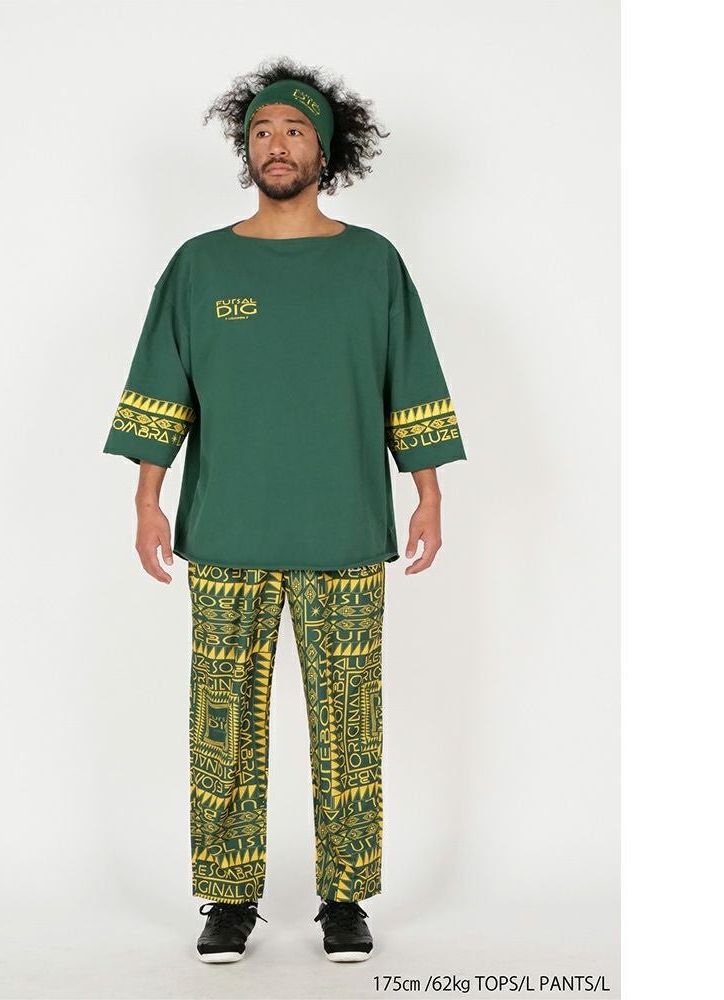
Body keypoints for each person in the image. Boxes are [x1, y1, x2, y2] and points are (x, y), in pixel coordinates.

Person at [102, 60, 468, 964]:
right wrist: (148, 500)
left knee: (350, 725)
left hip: (346, 532)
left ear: (325, 151)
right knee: (221, 721)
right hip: (226, 533)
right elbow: (165, 386)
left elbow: (409, 378)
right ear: (246, 148)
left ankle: (345, 898)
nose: (277, 144)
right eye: (262, 130)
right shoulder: (200, 264)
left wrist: (428, 493)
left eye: (295, 130)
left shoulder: (373, 262)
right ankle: (229, 898)